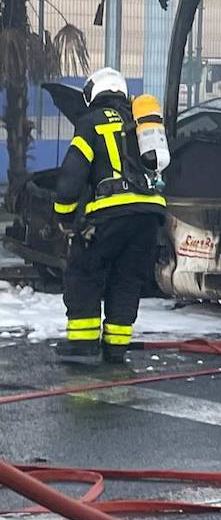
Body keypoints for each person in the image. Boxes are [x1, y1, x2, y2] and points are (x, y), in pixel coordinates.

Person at [52, 67, 167, 365]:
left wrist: (64, 217)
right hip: (149, 214)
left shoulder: (90, 123)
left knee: (83, 271)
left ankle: (83, 343)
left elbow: (70, 178)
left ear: (94, 93)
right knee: (127, 278)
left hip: (110, 213)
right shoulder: (139, 123)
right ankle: (116, 347)